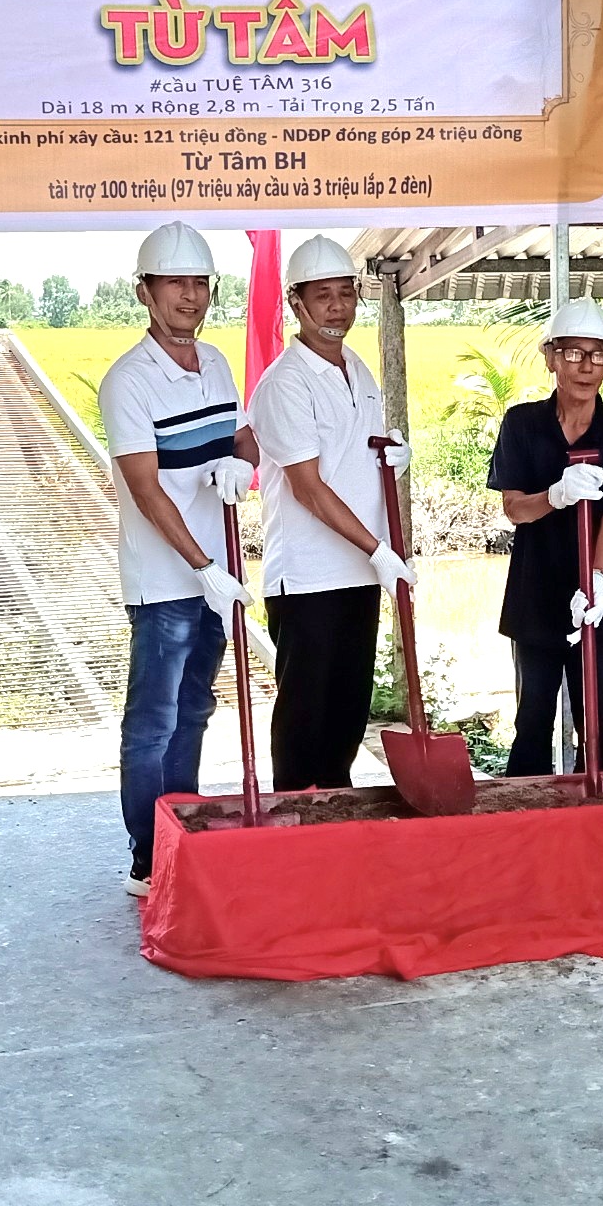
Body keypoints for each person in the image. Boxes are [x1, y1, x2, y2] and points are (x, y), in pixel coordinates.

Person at [96, 221, 257, 896]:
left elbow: (243, 437)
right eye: (175, 284)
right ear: (145, 292)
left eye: (200, 283)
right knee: (153, 722)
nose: (190, 296)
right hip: (166, 581)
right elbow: (146, 487)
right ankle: (147, 855)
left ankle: (181, 830)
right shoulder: (128, 381)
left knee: (194, 710)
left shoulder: (215, 362)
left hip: (216, 578)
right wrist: (202, 566)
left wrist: (240, 465)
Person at [245, 234, 412, 791]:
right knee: (306, 720)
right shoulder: (285, 383)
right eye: (323, 296)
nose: (338, 307)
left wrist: (392, 458)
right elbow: (309, 489)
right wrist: (378, 549)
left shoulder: (357, 369)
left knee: (346, 716)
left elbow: (353, 459)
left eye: (346, 293)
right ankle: (295, 823)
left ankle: (336, 821)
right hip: (309, 578)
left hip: (360, 573)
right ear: (296, 302)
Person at [487, 299, 603, 776]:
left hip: (598, 601)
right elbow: (515, 508)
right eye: (573, 353)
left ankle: (594, 807)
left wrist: (598, 581)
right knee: (531, 721)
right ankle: (527, 808)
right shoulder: (522, 424)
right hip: (535, 594)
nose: (586, 366)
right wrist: (555, 496)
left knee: (597, 727)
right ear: (550, 356)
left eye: (599, 354)